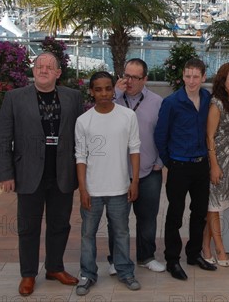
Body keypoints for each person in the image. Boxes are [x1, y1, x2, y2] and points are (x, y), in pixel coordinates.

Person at [0, 52, 82, 297]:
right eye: (39, 66)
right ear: (33, 70)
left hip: (62, 173)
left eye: (49, 67)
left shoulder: (73, 97)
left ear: (58, 73)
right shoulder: (14, 98)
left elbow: (81, 134)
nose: (43, 70)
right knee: (28, 227)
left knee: (60, 225)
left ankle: (55, 268)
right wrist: (6, 173)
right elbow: (3, 139)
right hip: (28, 173)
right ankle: (28, 274)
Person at [75, 71, 142, 296]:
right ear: (91, 92)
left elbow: (134, 149)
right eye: (98, 89)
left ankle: (125, 271)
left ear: (114, 89)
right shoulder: (83, 121)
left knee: (121, 232)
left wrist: (134, 182)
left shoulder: (127, 116)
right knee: (87, 234)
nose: (104, 93)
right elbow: (80, 157)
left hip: (120, 188)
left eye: (107, 88)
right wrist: (83, 189)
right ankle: (87, 274)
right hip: (92, 190)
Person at [154, 58, 216, 281]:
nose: (191, 80)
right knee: (175, 215)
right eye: (187, 76)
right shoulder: (171, 102)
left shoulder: (207, 98)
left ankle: (193, 254)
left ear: (203, 77)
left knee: (199, 214)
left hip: (201, 166)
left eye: (195, 76)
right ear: (182, 76)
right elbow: (160, 136)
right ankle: (172, 259)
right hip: (179, 166)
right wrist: (170, 162)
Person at [108, 58, 165, 274]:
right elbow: (99, 120)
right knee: (116, 219)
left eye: (135, 77)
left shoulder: (157, 102)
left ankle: (146, 257)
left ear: (145, 79)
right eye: (126, 75)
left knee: (148, 218)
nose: (129, 81)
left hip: (148, 171)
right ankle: (116, 260)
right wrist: (116, 94)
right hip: (118, 171)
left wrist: (160, 162)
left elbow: (163, 134)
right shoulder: (113, 100)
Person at [201, 62, 229, 267]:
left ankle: (205, 246)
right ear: (223, 80)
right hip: (216, 161)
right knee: (214, 207)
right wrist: (214, 165)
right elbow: (209, 137)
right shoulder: (216, 103)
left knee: (216, 207)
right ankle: (219, 248)